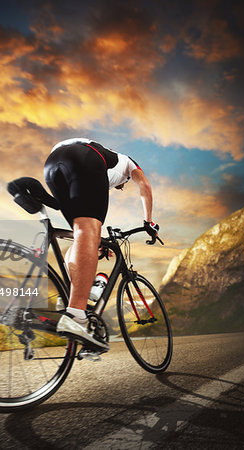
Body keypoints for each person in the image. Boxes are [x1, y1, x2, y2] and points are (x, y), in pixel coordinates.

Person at [44, 138, 159, 351]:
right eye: (122, 186)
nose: (121, 188)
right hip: (84, 158)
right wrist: (149, 222)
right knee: (89, 230)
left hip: (52, 163)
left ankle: (70, 296)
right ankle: (76, 316)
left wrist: (93, 243)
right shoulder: (127, 163)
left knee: (83, 234)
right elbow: (144, 184)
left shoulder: (105, 165)